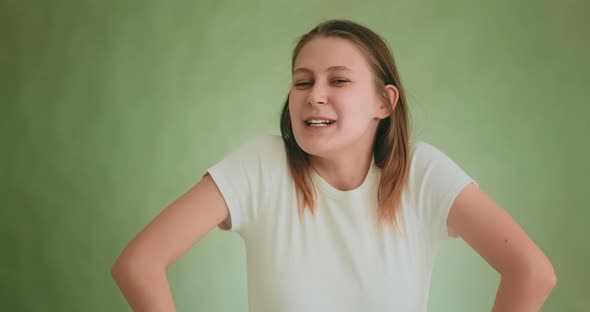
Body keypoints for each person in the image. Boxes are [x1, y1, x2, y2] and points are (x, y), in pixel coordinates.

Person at [111, 19, 556, 312]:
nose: (313, 94)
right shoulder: (262, 166)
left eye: (338, 80)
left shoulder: (422, 173)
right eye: (302, 81)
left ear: (384, 102)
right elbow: (138, 264)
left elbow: (531, 272)